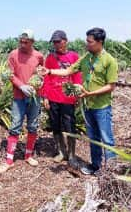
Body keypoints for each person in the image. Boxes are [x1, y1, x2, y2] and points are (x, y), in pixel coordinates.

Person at [40, 28, 118, 175]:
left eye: (90, 41)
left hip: (101, 106)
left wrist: (90, 93)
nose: (86, 44)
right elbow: (69, 71)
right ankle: (96, 166)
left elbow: (111, 86)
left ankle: (111, 172)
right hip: (88, 106)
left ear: (100, 42)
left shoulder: (109, 60)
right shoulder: (87, 58)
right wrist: (50, 71)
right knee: (94, 138)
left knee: (106, 138)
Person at [0, 29, 44, 174]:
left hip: (35, 96)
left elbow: (42, 72)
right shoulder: (13, 54)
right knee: (15, 125)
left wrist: (40, 82)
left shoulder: (39, 56)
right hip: (19, 96)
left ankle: (28, 155)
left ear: (32, 42)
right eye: (21, 41)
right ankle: (9, 160)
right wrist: (21, 85)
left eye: (26, 42)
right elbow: (10, 74)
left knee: (33, 125)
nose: (22, 44)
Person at [41, 30, 82, 169]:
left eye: (58, 41)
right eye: (54, 42)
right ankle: (61, 151)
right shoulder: (50, 58)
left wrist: (77, 94)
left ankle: (71, 155)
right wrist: (45, 96)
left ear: (66, 41)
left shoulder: (74, 56)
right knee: (55, 125)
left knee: (70, 125)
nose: (56, 44)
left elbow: (77, 76)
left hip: (68, 98)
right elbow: (46, 78)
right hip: (53, 97)